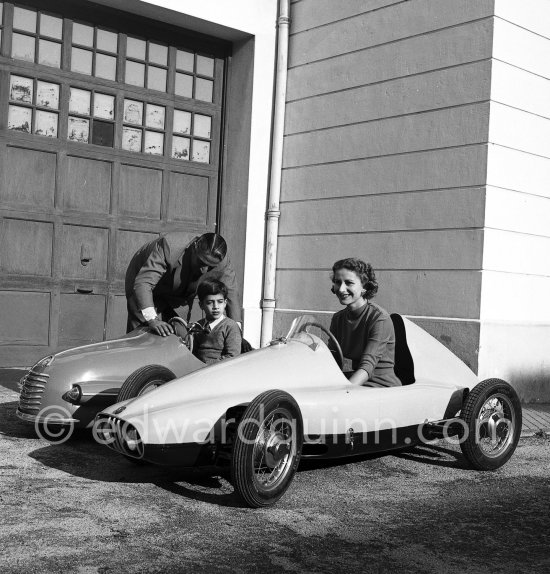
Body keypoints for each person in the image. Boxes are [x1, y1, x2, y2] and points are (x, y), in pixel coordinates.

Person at [125, 232, 242, 336]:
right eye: (201, 263)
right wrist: (152, 320)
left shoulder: (222, 262)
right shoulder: (169, 245)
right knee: (142, 332)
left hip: (179, 291)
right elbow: (144, 283)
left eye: (210, 267)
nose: (204, 271)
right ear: (194, 248)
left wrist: (237, 332)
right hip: (142, 279)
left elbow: (231, 292)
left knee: (181, 333)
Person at [328, 257, 401, 387]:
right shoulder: (337, 318)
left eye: (349, 283)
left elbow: (367, 366)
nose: (341, 289)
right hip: (357, 382)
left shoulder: (379, 318)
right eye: (338, 282)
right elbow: (332, 360)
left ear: (364, 287)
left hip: (381, 387)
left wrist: (343, 394)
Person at [192, 278, 242, 364]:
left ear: (225, 303)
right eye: (210, 302)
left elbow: (233, 356)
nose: (216, 306)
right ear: (201, 305)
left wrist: (207, 366)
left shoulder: (230, 326)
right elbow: (193, 352)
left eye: (220, 302)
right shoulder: (197, 326)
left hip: (219, 371)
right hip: (198, 371)